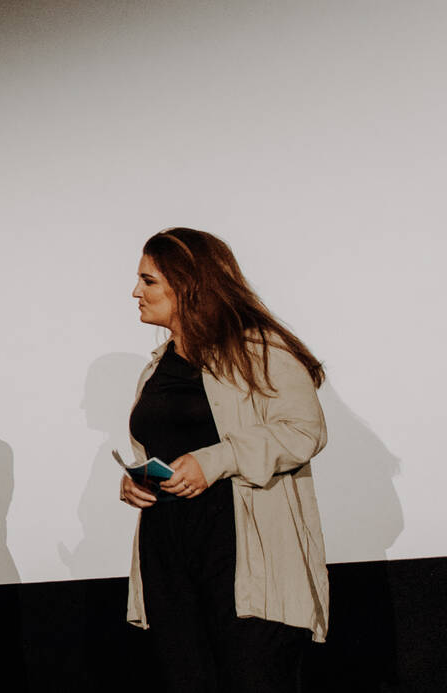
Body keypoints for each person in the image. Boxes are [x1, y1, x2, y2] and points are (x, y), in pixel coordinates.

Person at [119, 227, 328, 692]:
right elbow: (159, 449)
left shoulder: (259, 350)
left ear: (189, 284)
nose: (136, 291)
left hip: (240, 557)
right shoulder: (156, 368)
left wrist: (216, 460)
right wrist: (138, 482)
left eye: (148, 280)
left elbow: (304, 430)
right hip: (169, 554)